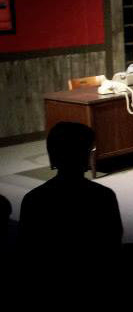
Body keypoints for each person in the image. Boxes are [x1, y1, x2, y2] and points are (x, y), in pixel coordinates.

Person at [17, 121, 123, 306]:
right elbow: (112, 246)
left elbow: (28, 252)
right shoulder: (102, 196)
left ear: (52, 156)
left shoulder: (33, 199)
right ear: (85, 155)